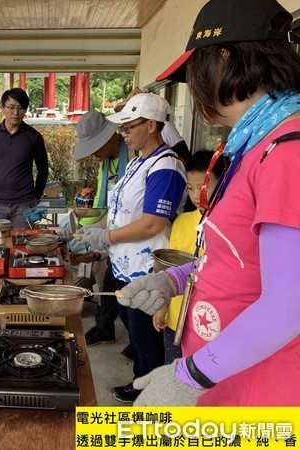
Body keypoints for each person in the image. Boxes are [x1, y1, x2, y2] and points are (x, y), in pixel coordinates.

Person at [117, 0, 300, 406]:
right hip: (218, 377)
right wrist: (174, 280)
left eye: (194, 72)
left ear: (225, 57)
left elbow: (289, 305)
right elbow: (234, 260)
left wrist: (190, 374)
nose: (193, 86)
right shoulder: (252, 145)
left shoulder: (288, 150)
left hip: (260, 395)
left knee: (101, 436)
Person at [80, 93, 187, 403]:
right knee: (133, 329)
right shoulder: (139, 163)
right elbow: (121, 216)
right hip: (125, 267)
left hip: (146, 270)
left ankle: (152, 399)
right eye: (123, 129)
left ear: (152, 125)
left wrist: (108, 239)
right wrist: (93, 232)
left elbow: (153, 224)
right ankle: (141, 381)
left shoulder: (166, 166)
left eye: (128, 127)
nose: (123, 134)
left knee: (147, 337)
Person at [152, 150, 224, 364]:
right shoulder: (182, 222)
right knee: (174, 372)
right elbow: (169, 268)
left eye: (203, 187)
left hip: (209, 323)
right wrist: (162, 305)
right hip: (176, 318)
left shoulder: (227, 227)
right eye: (190, 188)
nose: (195, 196)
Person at [69, 111, 132, 347]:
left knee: (122, 292)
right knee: (109, 282)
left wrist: (98, 239)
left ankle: (135, 344)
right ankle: (105, 327)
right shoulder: (106, 164)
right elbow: (101, 205)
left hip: (131, 236)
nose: (94, 154)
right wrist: (80, 229)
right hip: (112, 230)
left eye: (95, 147)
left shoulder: (134, 155)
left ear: (108, 139)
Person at [0, 88, 49, 228]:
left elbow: (43, 168)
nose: (15, 113)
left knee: (22, 244)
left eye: (20, 108)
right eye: (11, 107)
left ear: (25, 110)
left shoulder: (34, 137)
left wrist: (37, 196)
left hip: (24, 204)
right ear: (3, 108)